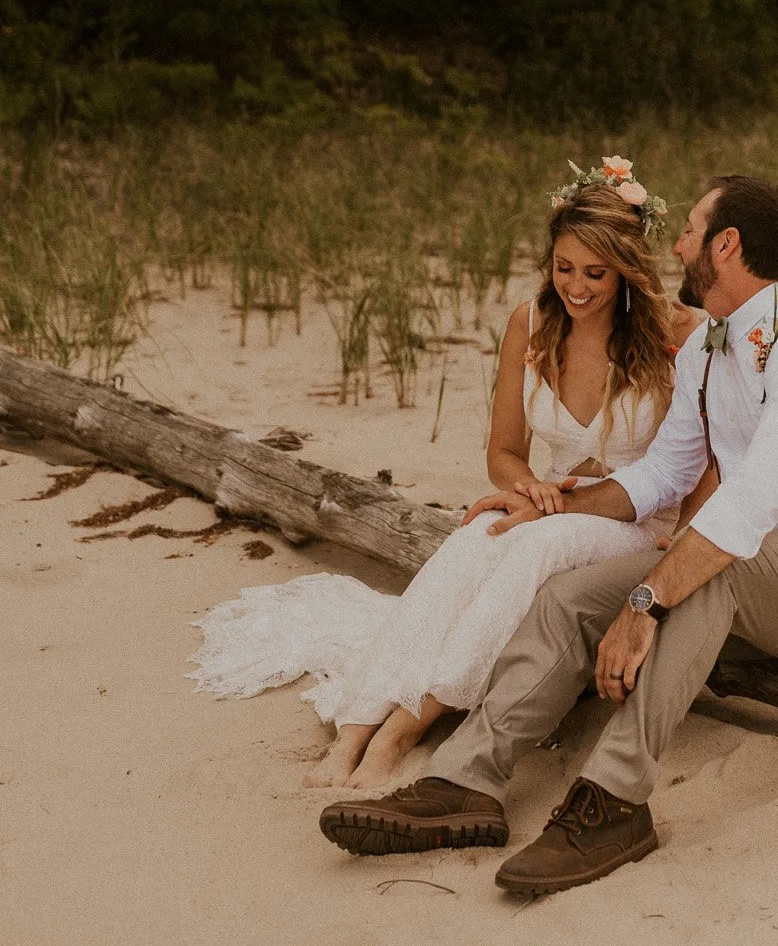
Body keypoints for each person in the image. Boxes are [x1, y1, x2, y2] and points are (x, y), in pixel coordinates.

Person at [317, 175, 778, 891]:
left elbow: (746, 506)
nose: (678, 242)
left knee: (716, 568)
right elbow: (661, 474)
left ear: (726, 246)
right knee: (567, 596)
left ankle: (614, 802)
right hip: (753, 575)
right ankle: (464, 781)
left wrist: (642, 606)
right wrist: (554, 507)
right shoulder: (701, 351)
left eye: (692, 229)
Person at [190, 161, 697, 790]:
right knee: (479, 535)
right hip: (551, 509)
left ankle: (405, 726)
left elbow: (685, 467)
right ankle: (357, 724)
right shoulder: (532, 325)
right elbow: (505, 453)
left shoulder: (677, 335)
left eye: (595, 273)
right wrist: (528, 488)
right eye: (562, 268)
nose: (576, 287)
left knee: (534, 545)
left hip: (637, 524)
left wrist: (556, 511)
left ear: (628, 267)